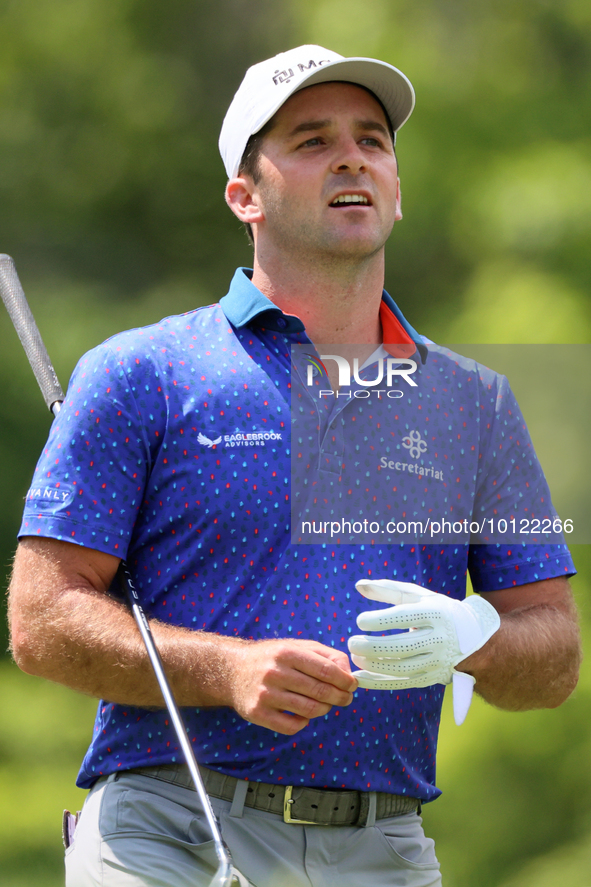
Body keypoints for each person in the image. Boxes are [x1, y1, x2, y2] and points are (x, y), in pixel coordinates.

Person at [8, 45, 581, 887]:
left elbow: (555, 650)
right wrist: (226, 668)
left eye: (371, 141)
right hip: (171, 831)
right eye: (311, 141)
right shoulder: (145, 372)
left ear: (394, 185)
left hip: (383, 846)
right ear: (246, 196)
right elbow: (41, 619)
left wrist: (475, 635)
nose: (352, 155)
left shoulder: (474, 402)